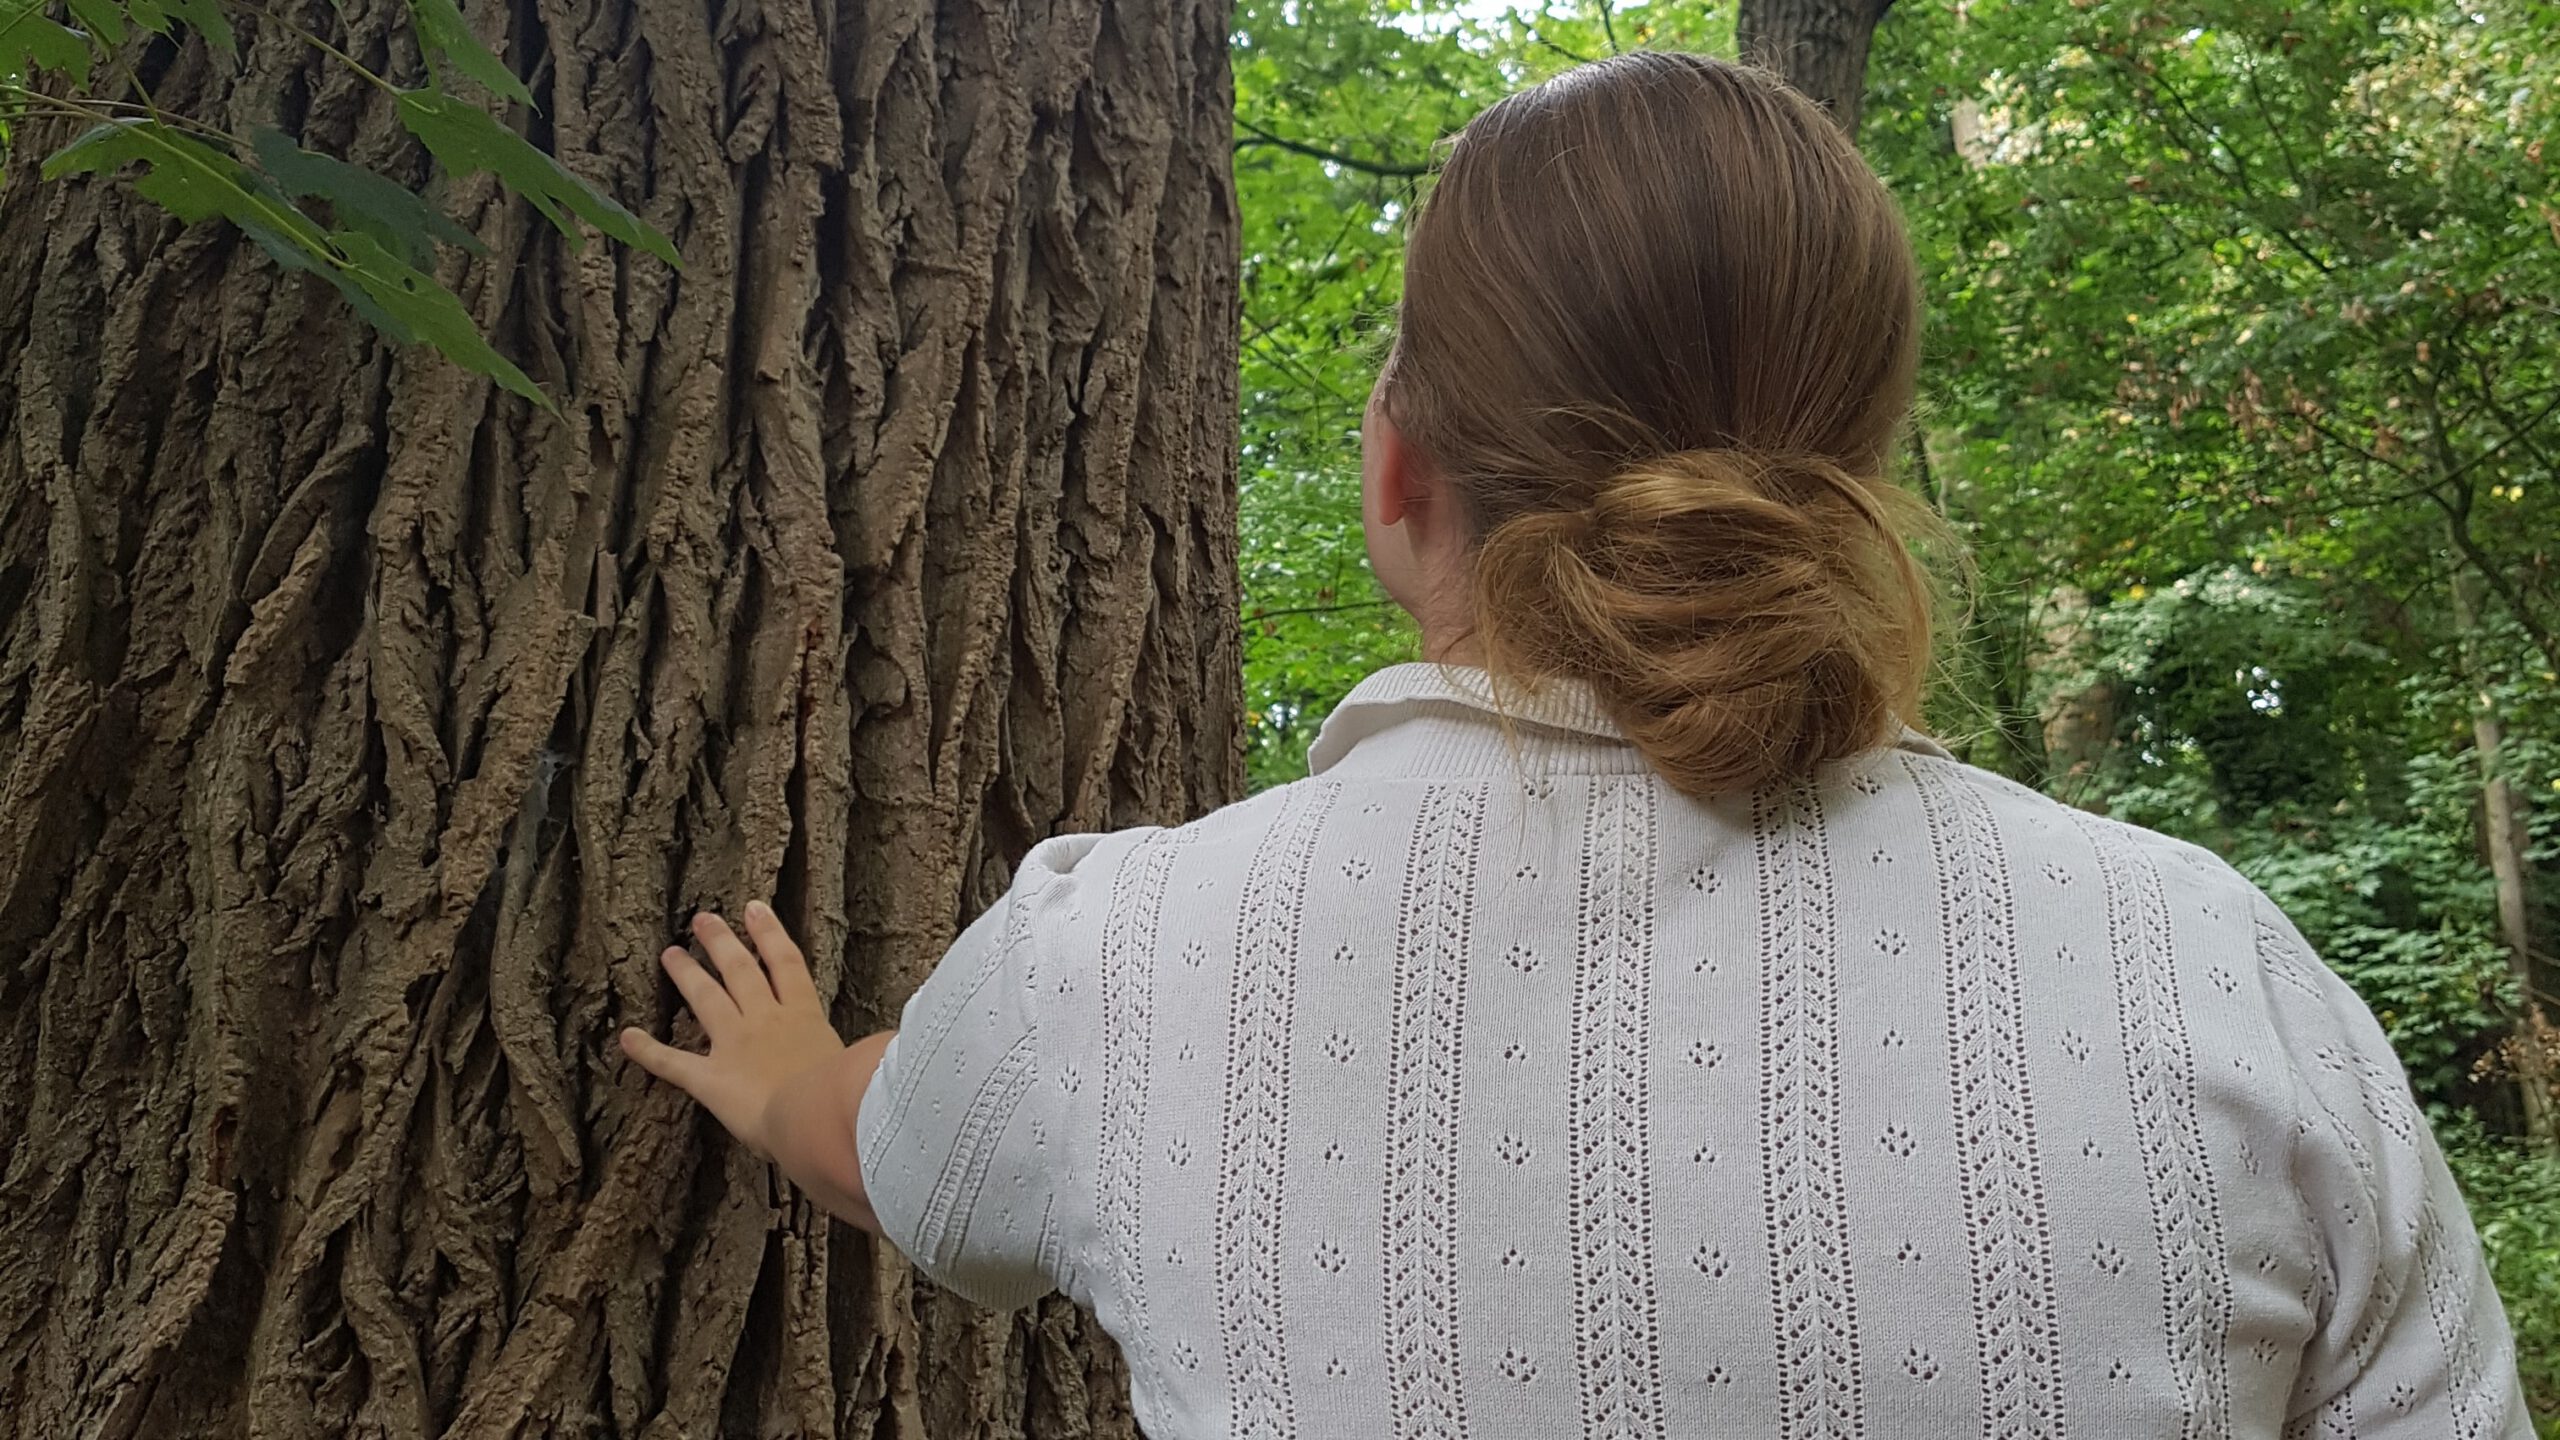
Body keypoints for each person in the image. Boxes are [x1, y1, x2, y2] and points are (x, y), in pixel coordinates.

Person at [619, 51, 2535, 1439]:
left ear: (1394, 470)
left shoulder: (1113, 962)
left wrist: (791, 1073)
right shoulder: (2202, 964)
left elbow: (903, 1153)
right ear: (1853, 470)